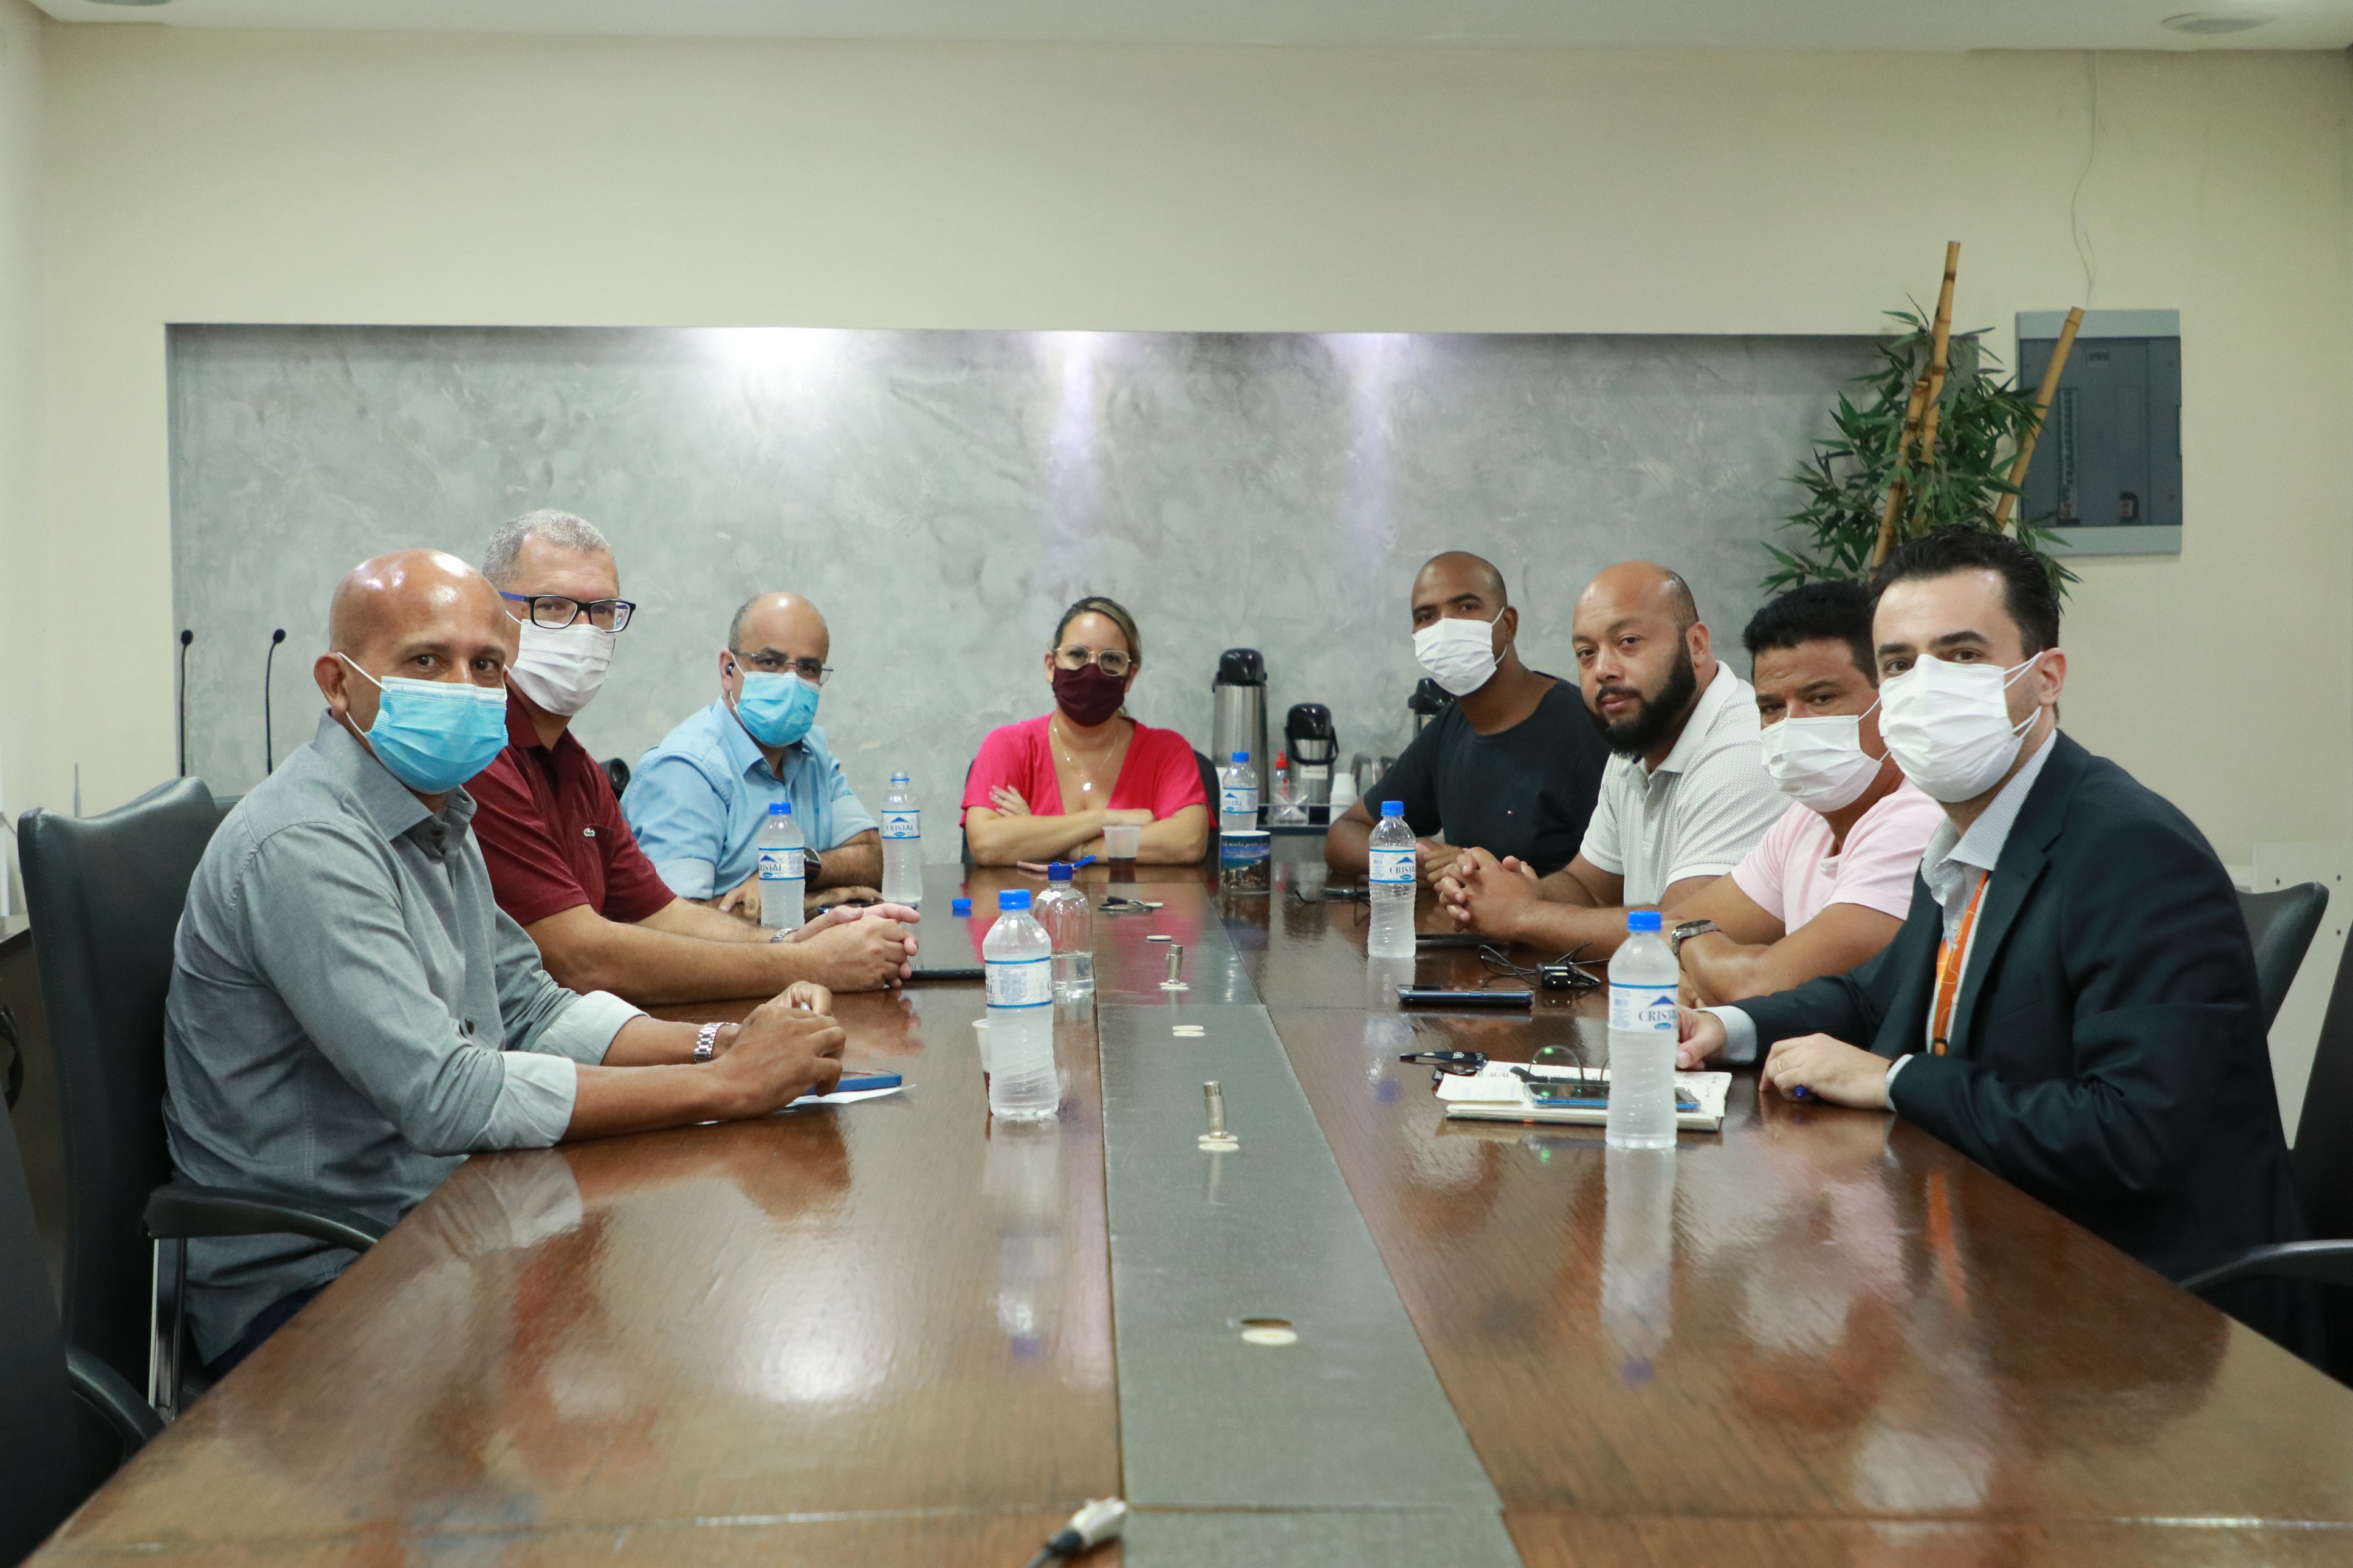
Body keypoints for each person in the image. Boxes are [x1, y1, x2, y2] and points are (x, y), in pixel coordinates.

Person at [163, 549, 854, 1374]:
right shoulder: (305, 843)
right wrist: (728, 1087)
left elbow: (528, 1005)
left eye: (486, 665)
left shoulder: (439, 815)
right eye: (427, 661)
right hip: (320, 1285)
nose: (463, 687)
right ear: (338, 684)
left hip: (442, 1220)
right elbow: (447, 1093)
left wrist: (720, 1042)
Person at [1676, 529, 2305, 1335]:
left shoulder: (2131, 850)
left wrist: (1896, 1079)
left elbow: (2131, 1134)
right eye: (1899, 663)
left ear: (2046, 677)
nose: (1924, 686)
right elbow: (1872, 999)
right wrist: (1724, 1028)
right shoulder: (1965, 834)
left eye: (1962, 655)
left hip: (2155, 1313)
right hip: (1998, 1254)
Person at [467, 514, 916, 1004]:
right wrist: (809, 962)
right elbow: (579, 958)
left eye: (602, 611)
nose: (584, 632)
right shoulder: (478, 753)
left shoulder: (578, 768)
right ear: (492, 615)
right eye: (552, 606)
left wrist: (793, 940)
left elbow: (661, 914)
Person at [1438, 561, 1785, 958]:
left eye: (1628, 642)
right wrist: (1508, 891)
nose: (1602, 670)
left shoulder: (1747, 748)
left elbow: (1685, 933)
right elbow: (1589, 887)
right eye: (1587, 653)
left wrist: (1523, 915)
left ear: (1696, 645)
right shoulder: (1636, 737)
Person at [1667, 581, 1943, 1004]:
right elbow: (1665, 931)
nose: (1791, 724)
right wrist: (1706, 957)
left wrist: (1692, 948)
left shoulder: (1919, 819)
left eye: (1821, 697)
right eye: (1772, 707)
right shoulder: (1806, 819)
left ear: (1893, 695)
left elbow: (1753, 986)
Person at [1325, 552, 1607, 883]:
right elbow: (1345, 834)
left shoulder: (1584, 730)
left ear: (1508, 624)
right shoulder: (1448, 730)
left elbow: (1611, 886)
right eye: (1427, 616)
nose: (1445, 627)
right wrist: (1417, 861)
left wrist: (1477, 869)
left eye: (1466, 607)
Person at [623, 589, 885, 915]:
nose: (791, 681)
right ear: (728, 669)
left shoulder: (812, 750)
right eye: (770, 662)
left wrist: (790, 867)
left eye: (808, 668)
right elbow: (675, 925)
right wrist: (813, 901)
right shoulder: (685, 770)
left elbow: (872, 859)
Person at [962, 595, 1210, 866]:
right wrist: (1106, 819)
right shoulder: (1007, 746)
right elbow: (986, 844)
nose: (1092, 671)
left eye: (1111, 659)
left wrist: (1064, 846)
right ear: (1051, 666)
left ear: (1129, 677)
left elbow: (1188, 842)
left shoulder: (1167, 751)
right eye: (1077, 655)